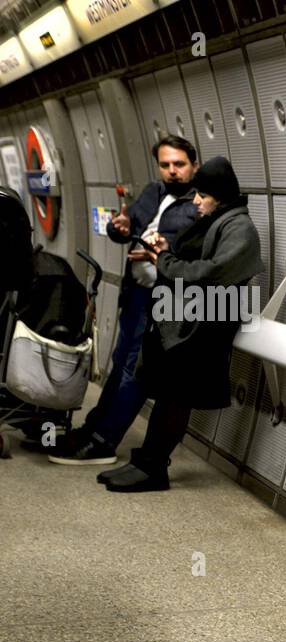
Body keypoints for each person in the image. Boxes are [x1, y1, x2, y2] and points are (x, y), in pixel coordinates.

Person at [99, 156, 263, 493]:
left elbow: (211, 273)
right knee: (168, 394)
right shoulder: (217, 218)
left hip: (208, 323)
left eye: (203, 194)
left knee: (176, 397)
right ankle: (147, 461)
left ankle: (153, 468)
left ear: (219, 194)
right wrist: (166, 249)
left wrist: (165, 261)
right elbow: (193, 256)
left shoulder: (240, 228)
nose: (197, 200)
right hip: (190, 319)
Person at [46, 135, 198, 465]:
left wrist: (164, 249)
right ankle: (92, 428)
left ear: (194, 165)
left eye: (179, 164)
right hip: (136, 295)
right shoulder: (153, 193)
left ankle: (103, 441)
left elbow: (197, 255)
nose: (172, 171)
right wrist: (120, 226)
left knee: (135, 373)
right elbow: (126, 231)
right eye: (165, 164)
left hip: (164, 302)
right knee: (119, 366)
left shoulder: (199, 204)